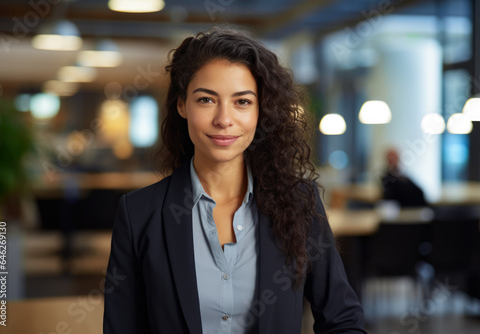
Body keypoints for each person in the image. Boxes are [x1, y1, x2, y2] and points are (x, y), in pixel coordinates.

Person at [103, 28, 366, 334]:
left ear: (260, 111)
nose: (224, 119)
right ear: (181, 105)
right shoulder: (138, 214)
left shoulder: (299, 203)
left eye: (242, 102)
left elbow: (343, 321)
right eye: (206, 100)